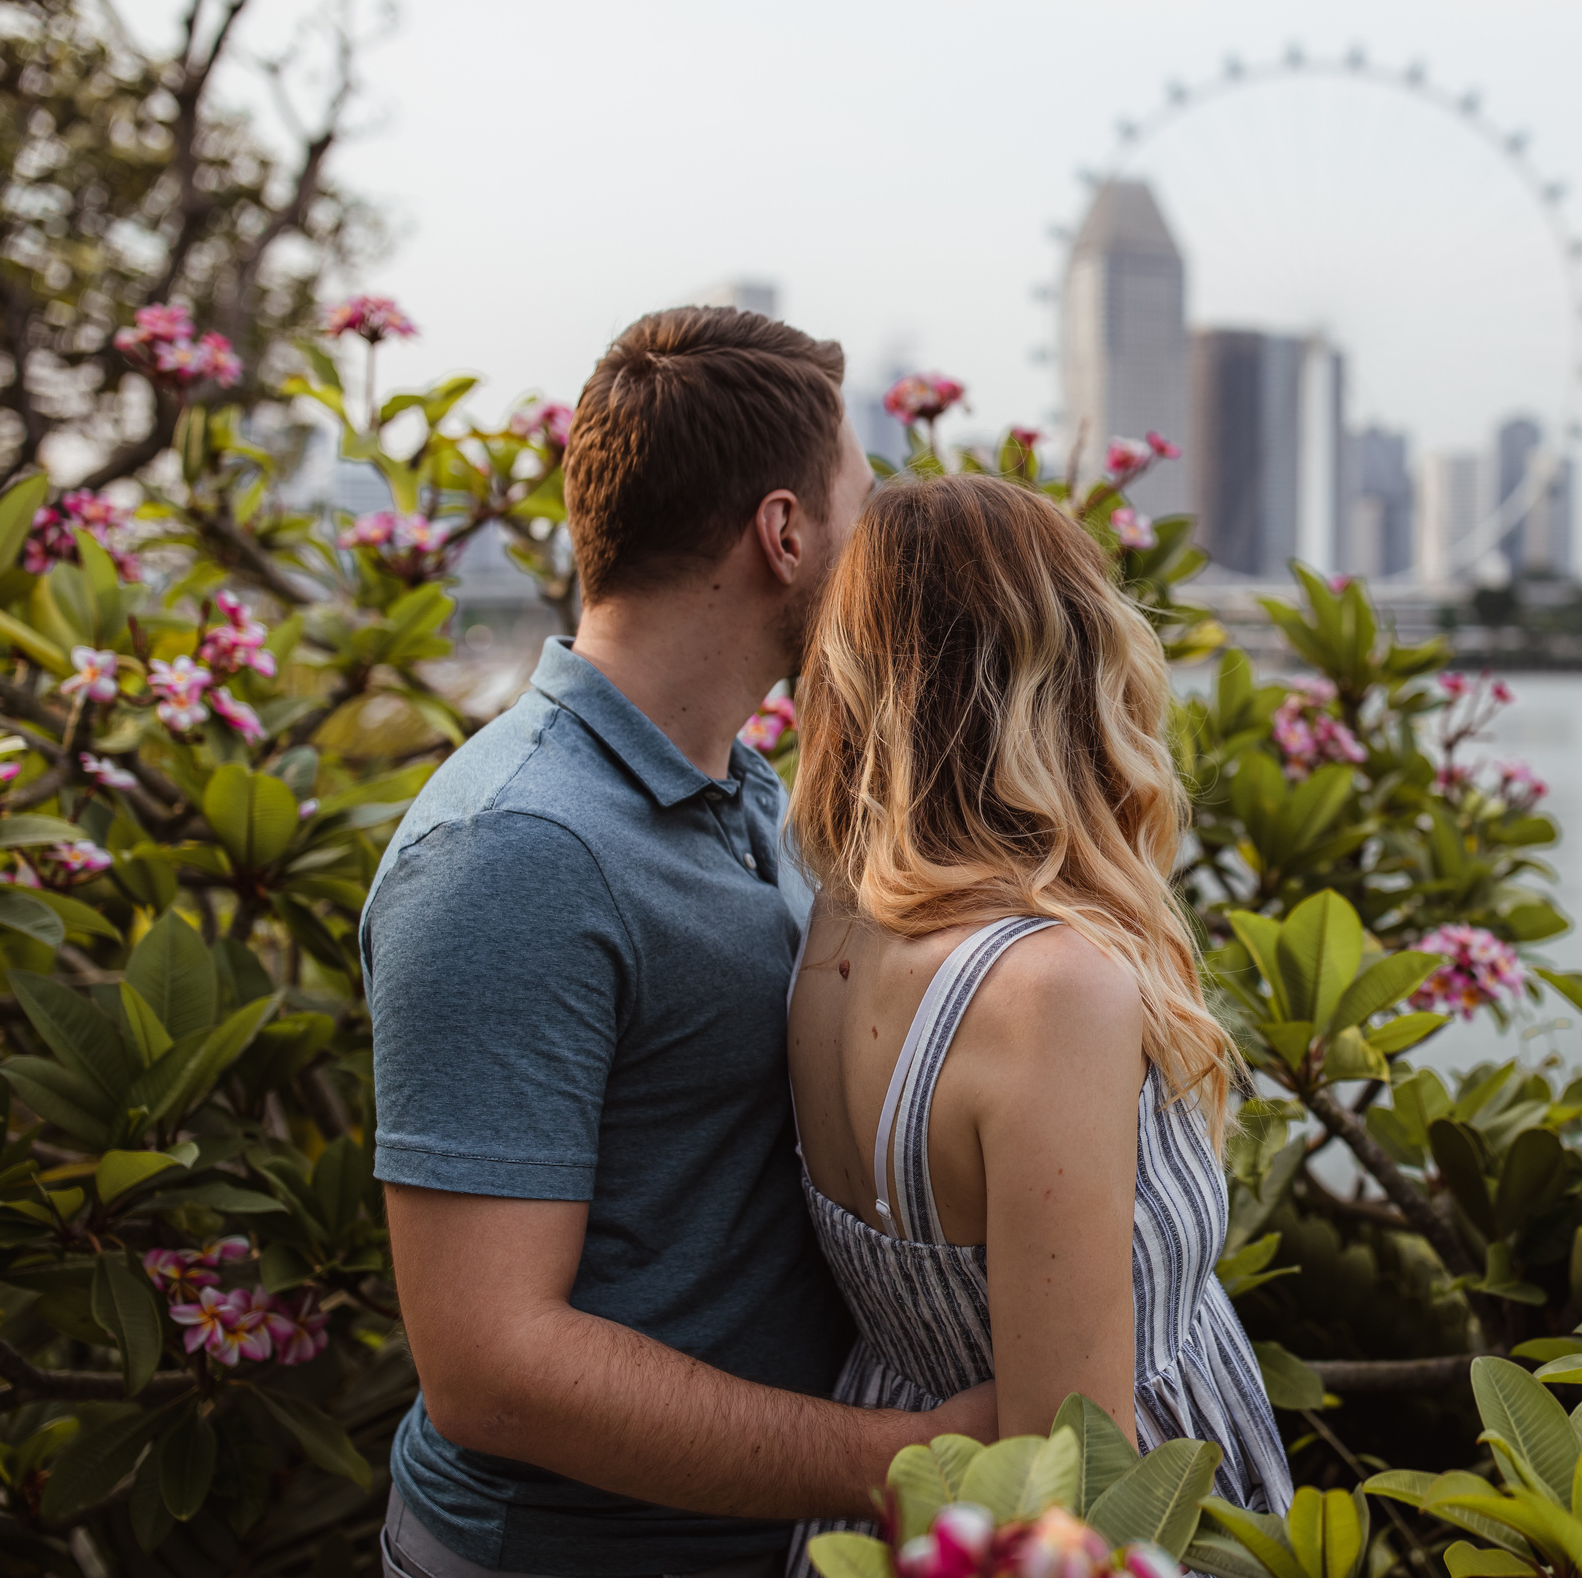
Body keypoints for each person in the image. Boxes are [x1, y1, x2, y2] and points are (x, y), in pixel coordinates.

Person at [364, 306, 995, 1578]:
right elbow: (490, 1371)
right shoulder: (515, 853)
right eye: (860, 510)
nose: (878, 549)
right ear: (783, 533)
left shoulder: (749, 791)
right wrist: (912, 1454)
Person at [782, 472, 1293, 1562]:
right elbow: (1080, 1459)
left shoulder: (835, 923)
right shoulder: (1046, 991)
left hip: (903, 1515)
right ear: (1070, 673)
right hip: (1071, 1539)